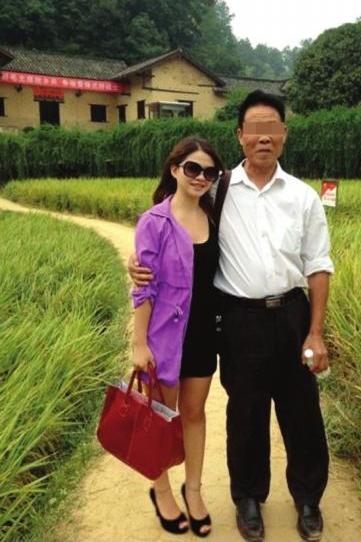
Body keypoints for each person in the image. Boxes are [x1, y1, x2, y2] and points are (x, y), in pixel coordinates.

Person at [130, 90, 334, 542]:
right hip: (239, 319)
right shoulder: (217, 189)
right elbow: (172, 226)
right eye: (254, 129)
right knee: (245, 413)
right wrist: (139, 262)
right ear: (241, 135)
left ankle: (307, 499)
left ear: (284, 134)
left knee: (302, 411)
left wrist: (316, 332)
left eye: (272, 129)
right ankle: (248, 499)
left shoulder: (303, 197)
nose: (264, 138)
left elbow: (319, 265)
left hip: (292, 315)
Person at [131, 136, 224, 537]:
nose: (201, 177)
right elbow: (144, 287)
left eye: (209, 171)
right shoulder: (155, 222)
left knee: (193, 412)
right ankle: (162, 490)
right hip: (163, 336)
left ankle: (194, 489)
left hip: (203, 334)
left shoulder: (214, 217)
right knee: (160, 417)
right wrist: (139, 343)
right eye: (192, 168)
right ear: (175, 170)